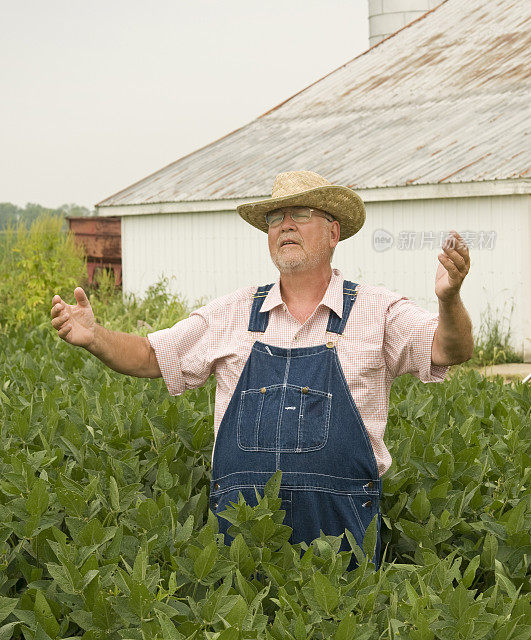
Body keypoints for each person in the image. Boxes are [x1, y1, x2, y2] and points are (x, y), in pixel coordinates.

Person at [51, 170, 473, 569]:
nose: (285, 225)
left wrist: (449, 299)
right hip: (241, 542)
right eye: (275, 217)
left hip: (342, 539)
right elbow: (150, 355)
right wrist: (95, 336)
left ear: (333, 232)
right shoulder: (233, 312)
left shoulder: (378, 310)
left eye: (300, 213)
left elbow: (450, 348)